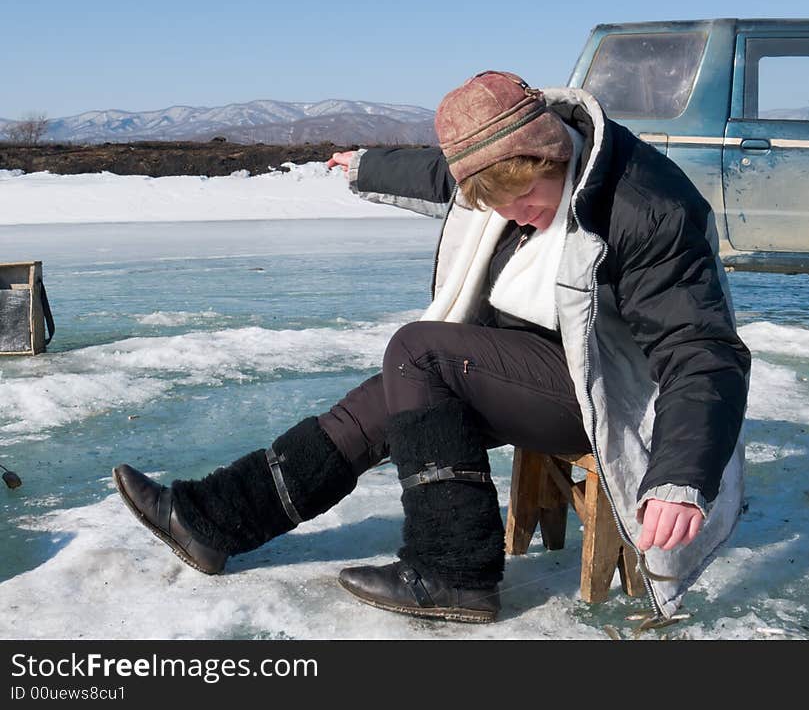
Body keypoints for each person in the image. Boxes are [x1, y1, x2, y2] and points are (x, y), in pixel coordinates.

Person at [113, 71, 750, 624]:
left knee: (419, 354)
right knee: (383, 398)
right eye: (499, 204)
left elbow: (701, 349)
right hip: (539, 354)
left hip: (607, 388)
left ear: (552, 156)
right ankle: (215, 519)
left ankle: (454, 571)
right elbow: (445, 179)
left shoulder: (645, 209)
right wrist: (364, 164)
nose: (518, 215)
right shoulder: (515, 172)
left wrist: (679, 477)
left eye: (526, 199)